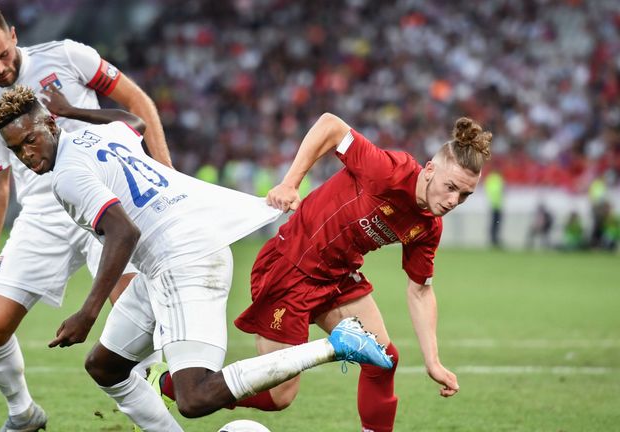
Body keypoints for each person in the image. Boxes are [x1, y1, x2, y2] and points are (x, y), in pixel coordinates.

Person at [0, 85, 393, 432]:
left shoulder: (67, 175)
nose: (25, 154)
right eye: (15, 149)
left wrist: (87, 313)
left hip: (184, 259)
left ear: (50, 125)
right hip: (170, 254)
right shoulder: (91, 137)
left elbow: (122, 232)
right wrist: (74, 111)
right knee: (105, 366)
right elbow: (135, 122)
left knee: (195, 396)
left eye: (30, 140)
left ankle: (336, 346)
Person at [185, 113, 486, 432]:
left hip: (339, 277)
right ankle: (173, 387)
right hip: (290, 268)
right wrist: (290, 183)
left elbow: (421, 290)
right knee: (280, 396)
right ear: (429, 170)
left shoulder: (427, 227)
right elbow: (330, 125)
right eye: (451, 187)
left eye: (465, 194)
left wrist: (433, 360)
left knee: (383, 359)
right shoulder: (388, 171)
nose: (454, 200)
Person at [0, 4, 170, 431]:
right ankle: (23, 415)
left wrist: (165, 171)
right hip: (42, 214)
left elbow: (137, 104)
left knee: (135, 316)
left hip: (101, 196)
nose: (0, 68)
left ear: (14, 35)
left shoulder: (68, 55)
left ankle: (152, 412)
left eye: (4, 54)